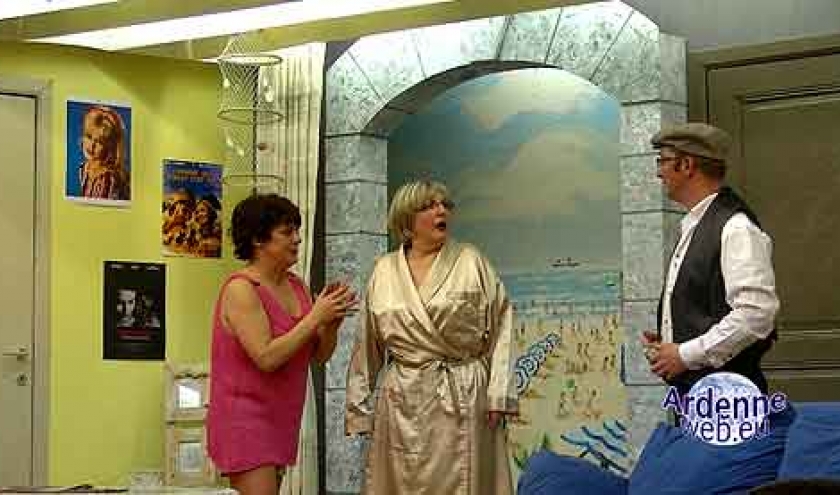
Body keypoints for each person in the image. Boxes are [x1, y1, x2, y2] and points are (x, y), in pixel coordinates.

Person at [345, 180, 518, 494]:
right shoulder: (383, 270)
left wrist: (499, 393)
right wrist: (358, 408)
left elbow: (502, 323)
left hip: (464, 392)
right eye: (430, 206)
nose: (442, 211)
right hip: (403, 397)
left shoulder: (471, 261)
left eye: (445, 205)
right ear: (407, 219)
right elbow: (367, 342)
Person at [206, 193, 357, 495]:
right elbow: (266, 357)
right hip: (245, 420)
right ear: (258, 240)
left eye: (297, 230)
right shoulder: (241, 289)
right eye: (287, 232)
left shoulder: (297, 286)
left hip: (281, 420)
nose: (297, 239)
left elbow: (319, 356)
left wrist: (331, 323)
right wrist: (315, 317)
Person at [643, 122, 780, 396]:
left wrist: (684, 354)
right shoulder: (695, 224)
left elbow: (756, 314)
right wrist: (674, 339)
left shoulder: (735, 227)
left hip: (728, 400)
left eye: (663, 161)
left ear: (686, 165)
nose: (658, 172)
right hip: (702, 395)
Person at [78, 105, 129, 200]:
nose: (92, 145)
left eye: (100, 142)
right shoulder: (83, 169)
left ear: (110, 146)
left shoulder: (110, 178)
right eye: (88, 136)